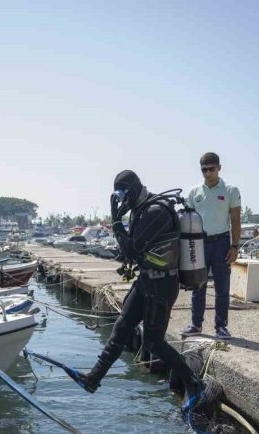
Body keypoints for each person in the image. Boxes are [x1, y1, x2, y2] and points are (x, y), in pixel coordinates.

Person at [78, 170, 205, 409]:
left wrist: (116, 223)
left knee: (154, 343)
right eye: (117, 195)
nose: (121, 199)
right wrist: (121, 221)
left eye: (123, 193)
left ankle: (193, 383)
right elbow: (132, 249)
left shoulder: (155, 212)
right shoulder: (141, 210)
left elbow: (130, 250)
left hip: (163, 285)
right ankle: (93, 378)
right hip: (147, 280)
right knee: (121, 328)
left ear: (134, 189)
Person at [181, 152, 241, 339]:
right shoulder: (194, 192)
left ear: (219, 168)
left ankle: (221, 326)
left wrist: (235, 246)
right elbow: (187, 221)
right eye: (204, 170)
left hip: (222, 243)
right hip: (198, 244)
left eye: (211, 169)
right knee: (197, 285)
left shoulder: (231, 190)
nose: (207, 173)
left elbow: (236, 220)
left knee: (222, 288)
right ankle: (196, 324)